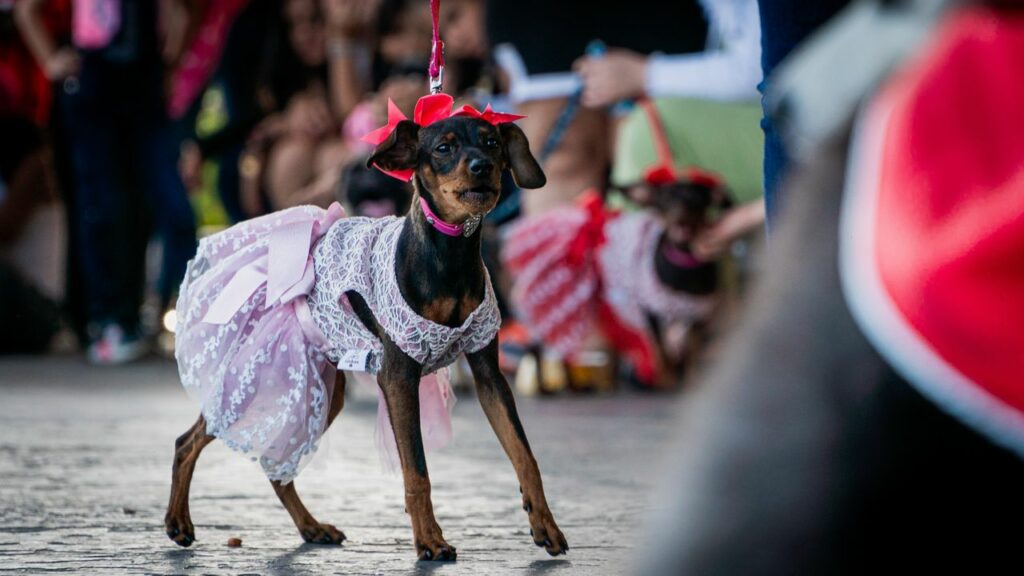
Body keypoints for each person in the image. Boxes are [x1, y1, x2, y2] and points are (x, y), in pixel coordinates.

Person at [16, 0, 198, 363]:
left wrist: (169, 64)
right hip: (94, 81)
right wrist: (51, 61)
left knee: (163, 202)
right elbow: (27, 10)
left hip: (143, 81)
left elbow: (181, 12)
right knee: (102, 204)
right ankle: (109, 319)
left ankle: (182, 314)